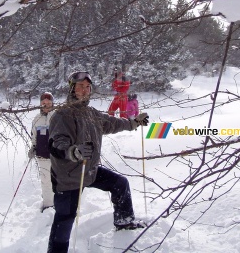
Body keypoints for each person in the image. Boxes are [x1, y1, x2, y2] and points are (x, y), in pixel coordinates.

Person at [47, 71, 149, 253]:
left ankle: (124, 223)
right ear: (72, 88)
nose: (84, 90)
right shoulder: (62, 115)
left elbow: (114, 123)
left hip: (89, 171)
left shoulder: (91, 113)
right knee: (65, 218)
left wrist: (134, 123)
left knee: (120, 184)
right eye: (80, 86)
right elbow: (56, 144)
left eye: (87, 87)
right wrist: (74, 151)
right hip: (68, 177)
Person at [28, 91, 55, 211]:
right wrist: (33, 147)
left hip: (58, 156)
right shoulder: (37, 119)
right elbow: (34, 136)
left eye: (48, 103)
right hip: (42, 156)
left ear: (52, 103)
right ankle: (48, 204)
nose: (46, 105)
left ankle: (60, 202)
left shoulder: (57, 116)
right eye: (43, 103)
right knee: (45, 181)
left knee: (58, 181)